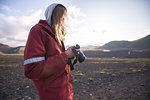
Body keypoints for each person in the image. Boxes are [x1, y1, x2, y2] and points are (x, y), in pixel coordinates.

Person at [24, 3, 76, 100]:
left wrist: (69, 55)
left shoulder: (56, 36)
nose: (62, 21)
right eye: (59, 16)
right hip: (52, 94)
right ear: (51, 15)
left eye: (64, 17)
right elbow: (32, 70)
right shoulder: (38, 31)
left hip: (65, 92)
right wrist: (65, 55)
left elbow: (57, 60)